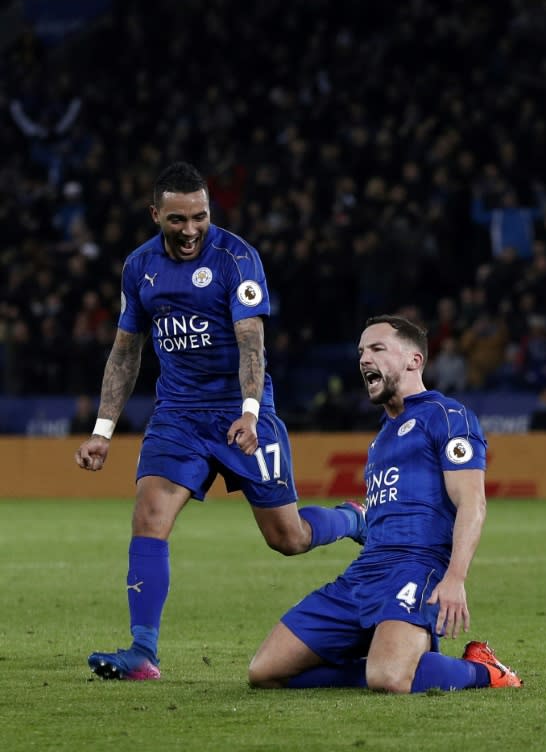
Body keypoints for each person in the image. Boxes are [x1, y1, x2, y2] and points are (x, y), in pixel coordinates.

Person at [74, 161, 366, 681]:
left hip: (240, 413)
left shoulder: (237, 258)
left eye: (200, 217)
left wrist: (251, 413)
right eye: (177, 220)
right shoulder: (139, 267)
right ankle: (144, 652)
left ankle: (353, 519)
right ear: (155, 214)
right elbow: (124, 353)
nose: (190, 231)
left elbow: (252, 342)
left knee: (289, 538)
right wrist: (102, 432)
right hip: (177, 416)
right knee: (149, 516)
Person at [249, 315, 522, 693]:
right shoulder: (381, 438)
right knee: (264, 673)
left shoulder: (446, 416)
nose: (364, 359)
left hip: (416, 568)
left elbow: (472, 503)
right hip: (364, 575)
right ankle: (401, 656)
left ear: (414, 361)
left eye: (377, 349)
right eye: (361, 351)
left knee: (389, 679)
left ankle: (484, 670)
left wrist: (455, 578)